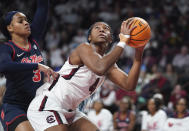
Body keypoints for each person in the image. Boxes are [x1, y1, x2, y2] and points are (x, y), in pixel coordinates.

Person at [27, 18, 145, 131]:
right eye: (97, 28)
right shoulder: (84, 48)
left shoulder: (109, 65)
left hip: (70, 111)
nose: (101, 29)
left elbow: (129, 85)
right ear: (89, 37)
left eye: (106, 28)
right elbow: (99, 68)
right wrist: (123, 42)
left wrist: (138, 56)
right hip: (48, 105)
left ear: (110, 39)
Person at [0, 0, 57, 131]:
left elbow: (43, 7)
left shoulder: (34, 39)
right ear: (10, 28)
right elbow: (4, 66)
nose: (26, 23)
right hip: (16, 106)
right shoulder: (7, 48)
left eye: (26, 20)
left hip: (39, 105)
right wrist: (36, 65)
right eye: (20, 21)